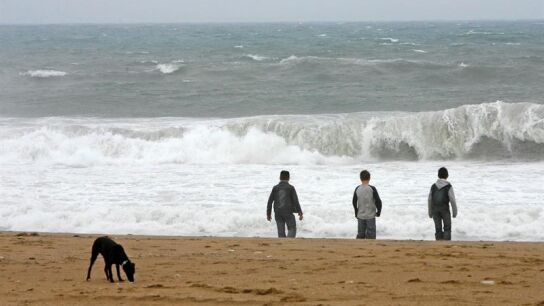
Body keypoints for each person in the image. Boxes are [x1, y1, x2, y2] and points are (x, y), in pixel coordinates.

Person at [266, 170, 303, 238]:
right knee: (292, 228)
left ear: (280, 177)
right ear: (288, 178)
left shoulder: (275, 188)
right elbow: (296, 201)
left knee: (281, 231)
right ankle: (288, 242)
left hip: (278, 212)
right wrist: (300, 212)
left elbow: (270, 202)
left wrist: (268, 214)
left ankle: (283, 243)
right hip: (288, 211)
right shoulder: (291, 188)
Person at [428, 167, 458, 240]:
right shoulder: (448, 186)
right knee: (447, 228)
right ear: (447, 176)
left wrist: (430, 212)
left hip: (435, 209)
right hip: (445, 209)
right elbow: (452, 200)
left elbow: (429, 199)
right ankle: (446, 243)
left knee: (438, 229)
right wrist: (454, 212)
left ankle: (439, 243)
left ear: (438, 176)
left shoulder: (433, 186)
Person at [352, 170, 382, 239]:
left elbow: (354, 202)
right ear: (369, 178)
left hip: (360, 216)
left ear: (360, 178)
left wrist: (356, 212)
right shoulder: (372, 188)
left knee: (360, 235)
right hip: (370, 216)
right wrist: (379, 211)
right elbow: (378, 201)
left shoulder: (357, 188)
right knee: (371, 236)